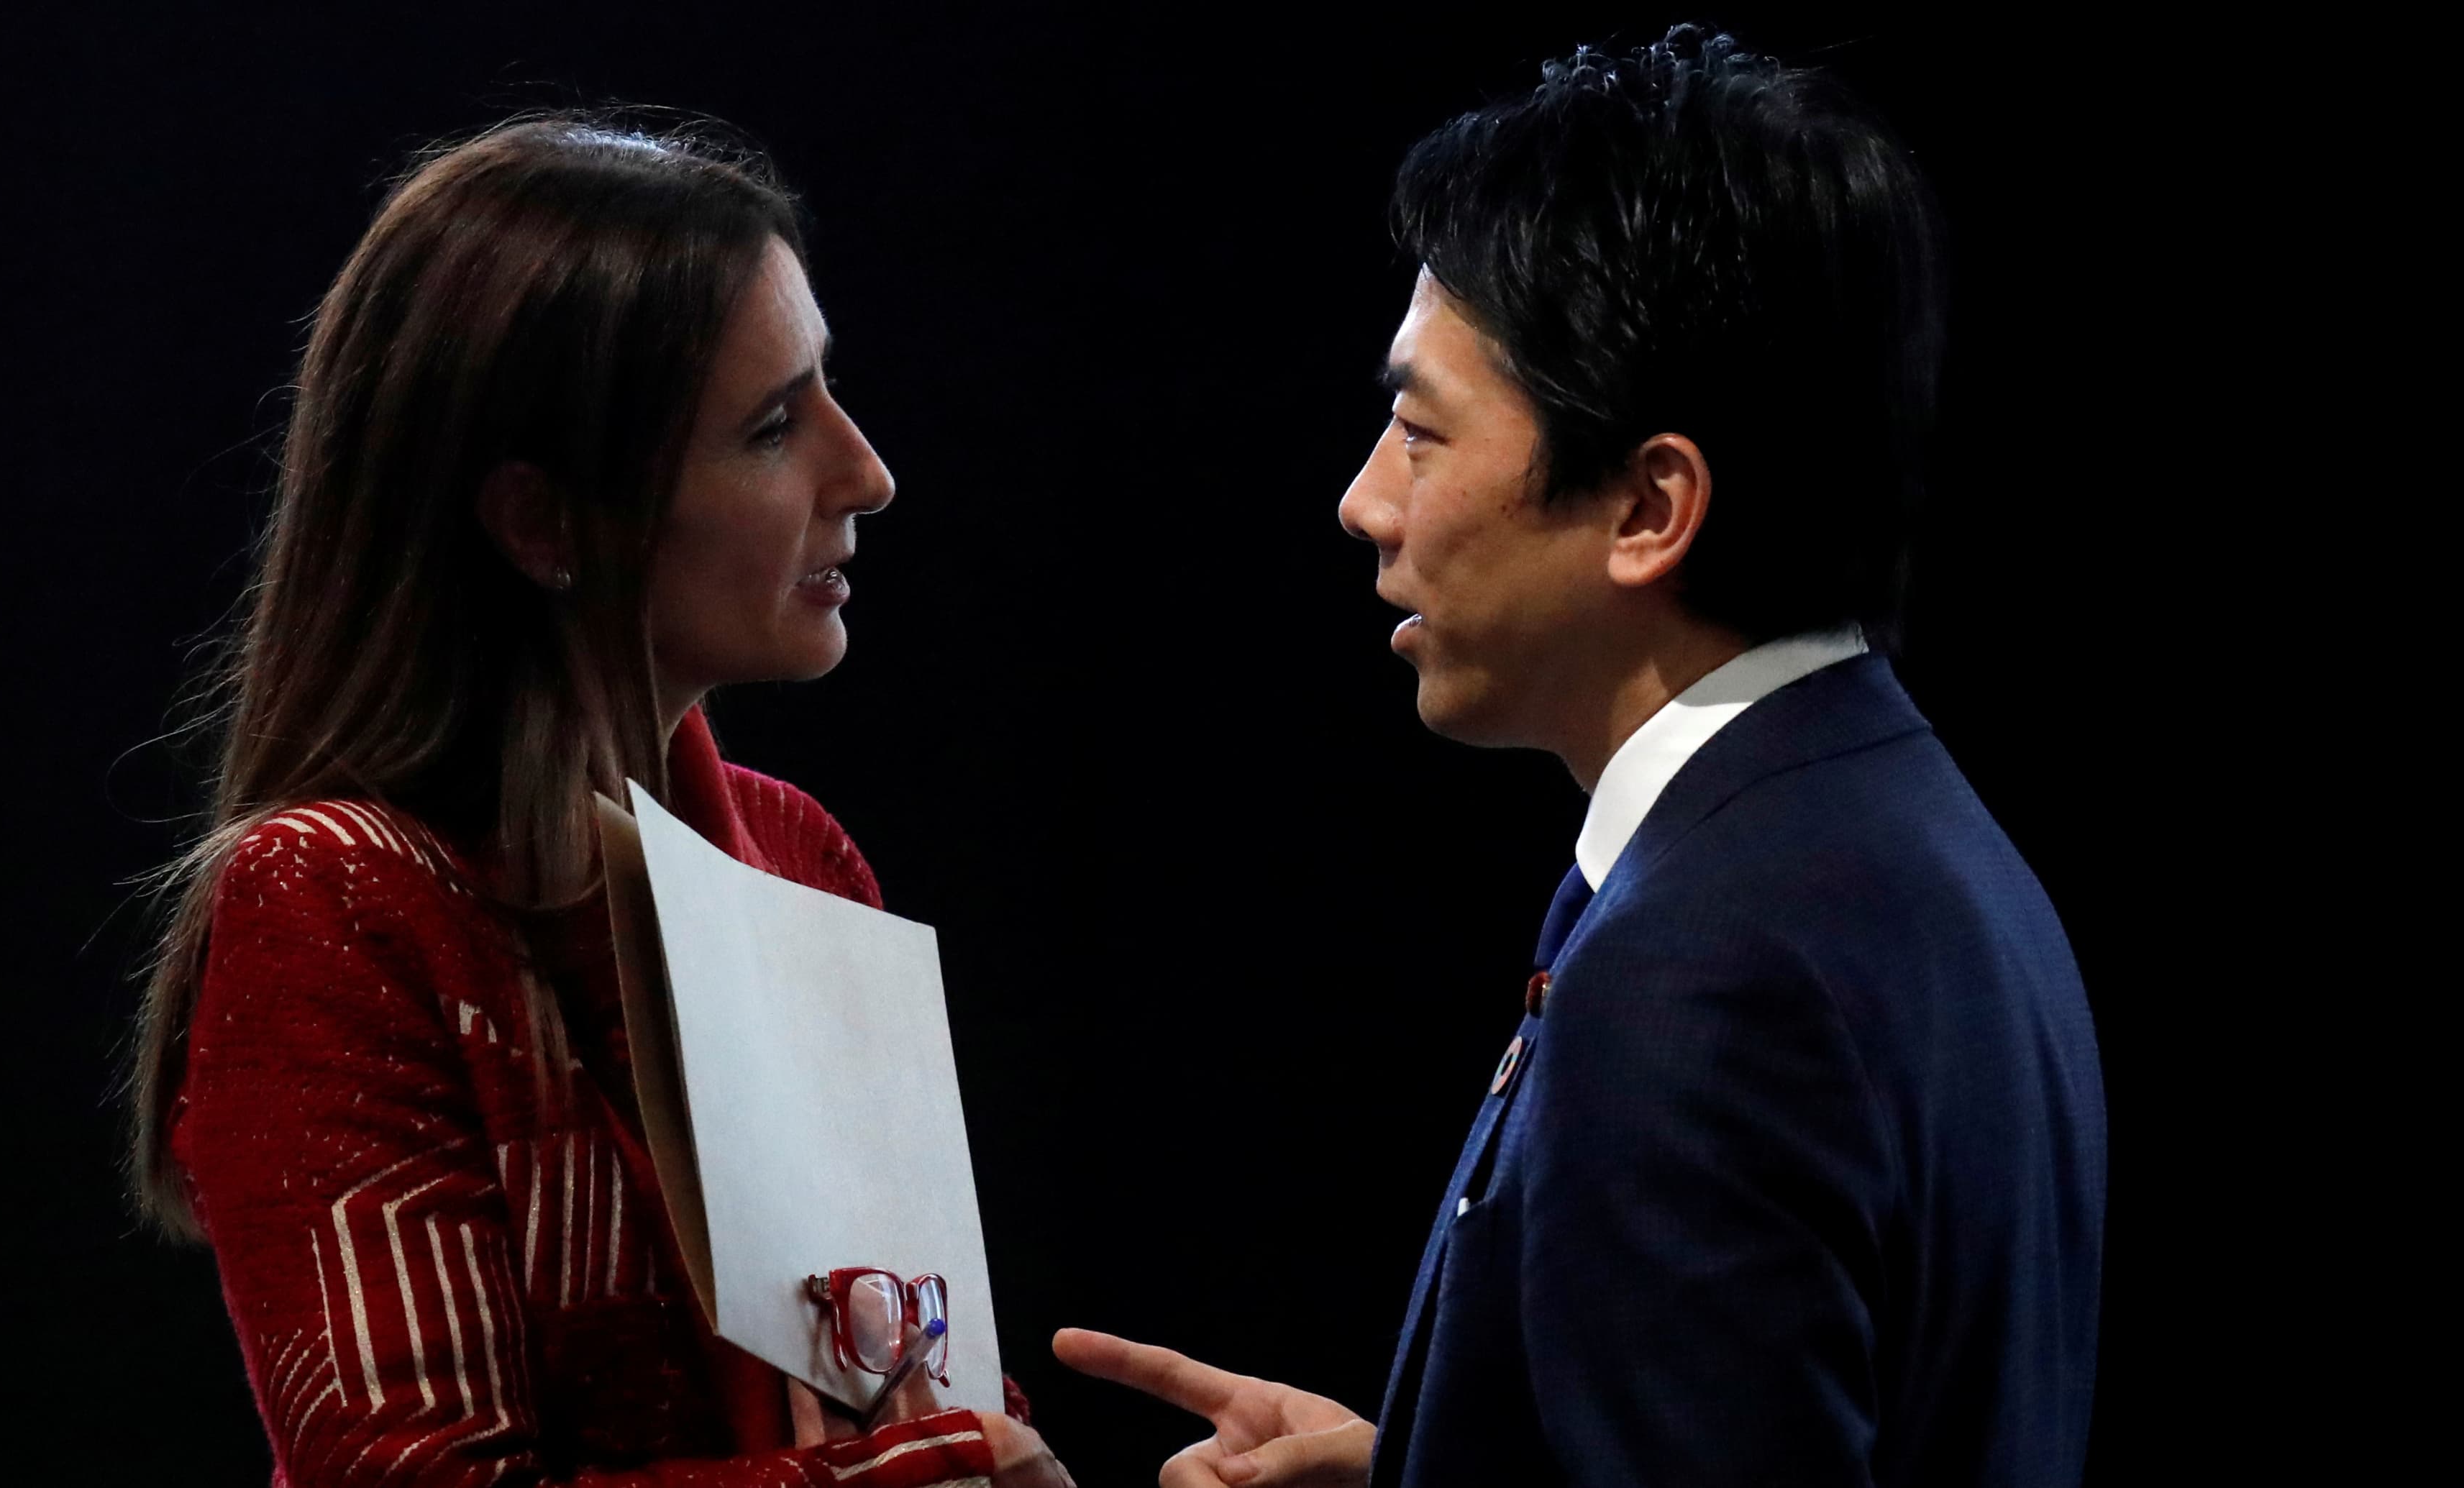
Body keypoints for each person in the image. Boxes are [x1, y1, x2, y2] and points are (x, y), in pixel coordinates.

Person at [1057, 26, 2104, 1487]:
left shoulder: (1708, 962)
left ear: (1647, 508)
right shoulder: (1921, 853)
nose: (1366, 503)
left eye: (1421, 433)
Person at [128, 116, 1069, 1488]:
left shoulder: (798, 856)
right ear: (542, 524)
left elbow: (919, 1386)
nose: (864, 474)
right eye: (771, 427)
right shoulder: (334, 895)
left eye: (828, 392)